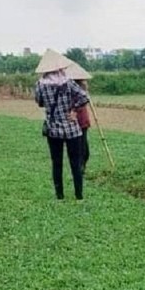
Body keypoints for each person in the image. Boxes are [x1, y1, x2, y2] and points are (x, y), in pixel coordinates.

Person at [34, 49, 90, 200]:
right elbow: (84, 97)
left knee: (56, 163)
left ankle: (60, 196)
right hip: (72, 129)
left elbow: (39, 103)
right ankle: (79, 196)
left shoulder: (40, 85)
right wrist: (74, 111)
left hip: (53, 129)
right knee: (75, 163)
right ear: (59, 68)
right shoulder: (68, 83)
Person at [65, 61, 93, 174]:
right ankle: (78, 168)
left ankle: (82, 167)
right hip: (73, 121)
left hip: (82, 121)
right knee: (79, 148)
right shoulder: (68, 88)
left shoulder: (82, 89)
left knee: (84, 149)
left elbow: (84, 101)